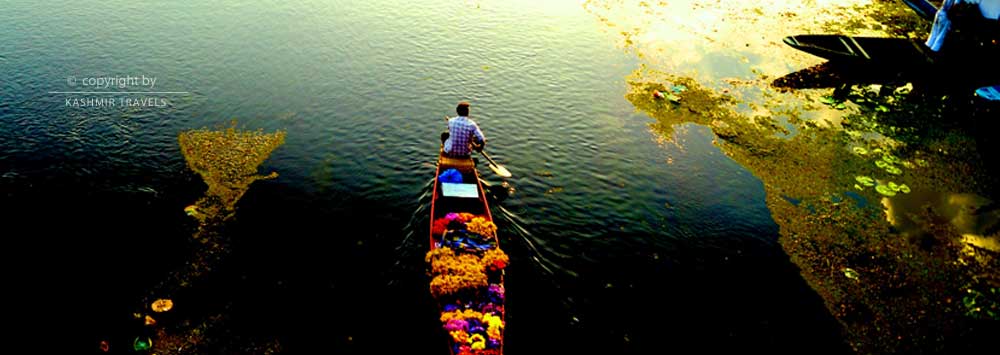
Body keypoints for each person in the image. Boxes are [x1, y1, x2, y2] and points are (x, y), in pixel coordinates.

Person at [925, 0, 1000, 52]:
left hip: (982, 20)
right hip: (993, 22)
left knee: (951, 15)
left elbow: (969, 2)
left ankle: (936, 46)